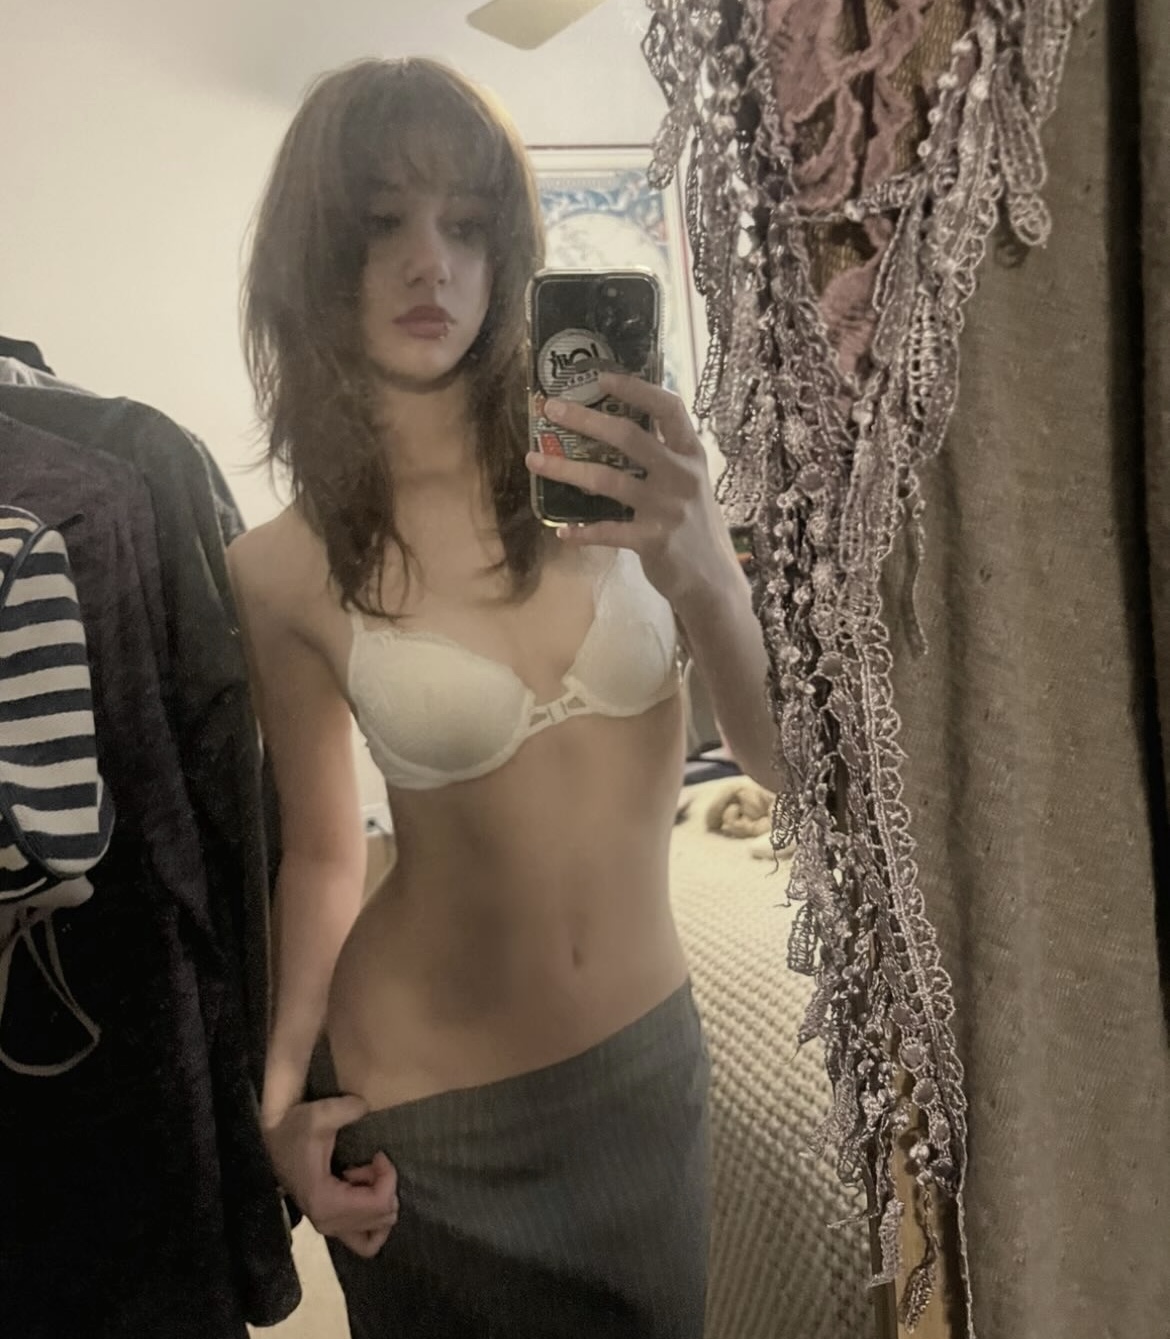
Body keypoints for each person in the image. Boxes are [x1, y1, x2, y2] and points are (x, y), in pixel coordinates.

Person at [229, 56, 784, 1339]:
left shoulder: (635, 477)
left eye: (467, 225)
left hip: (647, 1070)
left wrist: (706, 571)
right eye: (382, 223)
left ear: (510, 254)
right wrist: (278, 1107)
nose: (430, 263)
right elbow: (322, 857)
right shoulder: (279, 568)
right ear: (317, 256)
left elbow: (785, 767)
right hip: (430, 1115)